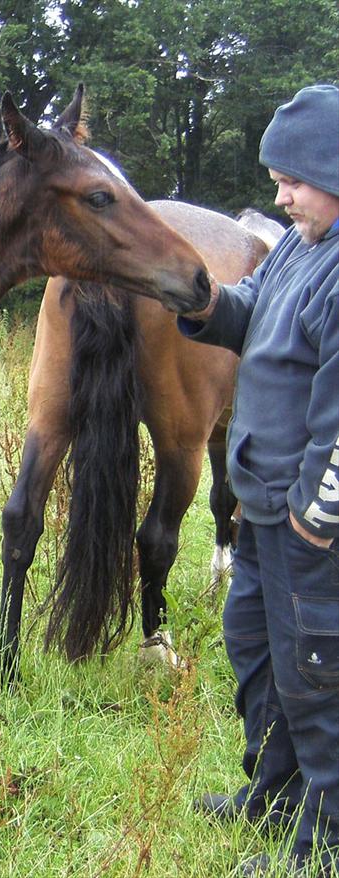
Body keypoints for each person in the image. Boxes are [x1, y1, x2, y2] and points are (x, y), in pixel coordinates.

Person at [179, 83, 339, 877]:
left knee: (315, 678)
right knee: (254, 648)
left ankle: (322, 844)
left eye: (293, 180)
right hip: (261, 511)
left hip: (308, 526)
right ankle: (272, 797)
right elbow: (252, 316)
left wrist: (316, 519)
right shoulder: (300, 250)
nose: (278, 195)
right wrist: (204, 300)